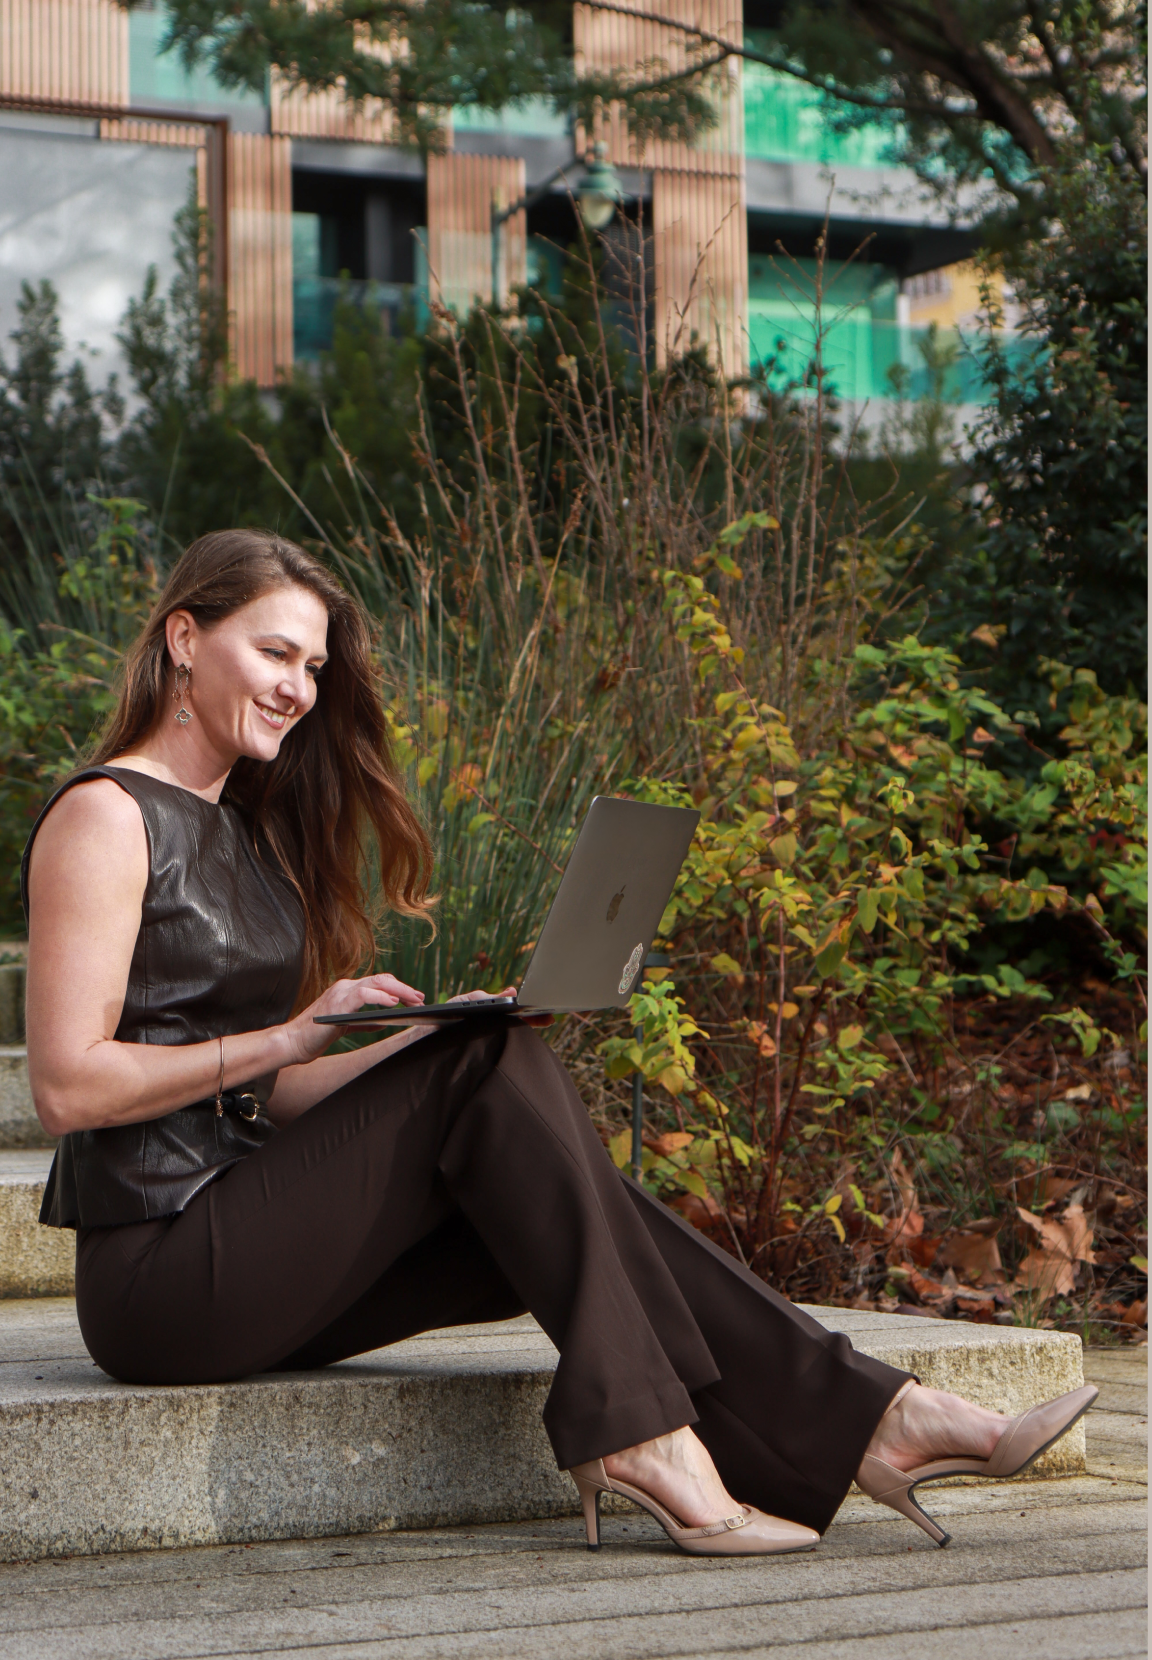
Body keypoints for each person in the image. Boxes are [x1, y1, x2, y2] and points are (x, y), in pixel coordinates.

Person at [23, 529, 1095, 1557]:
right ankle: (684, 1431)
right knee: (498, 1101)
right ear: (181, 639)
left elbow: (286, 1097)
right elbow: (67, 1087)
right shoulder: (107, 818)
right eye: (273, 652)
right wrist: (289, 1036)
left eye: (310, 663)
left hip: (255, 1240)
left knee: (517, 1120)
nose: (298, 686)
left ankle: (860, 1418)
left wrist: (418, 1045)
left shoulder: (248, 830)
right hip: (160, 1279)